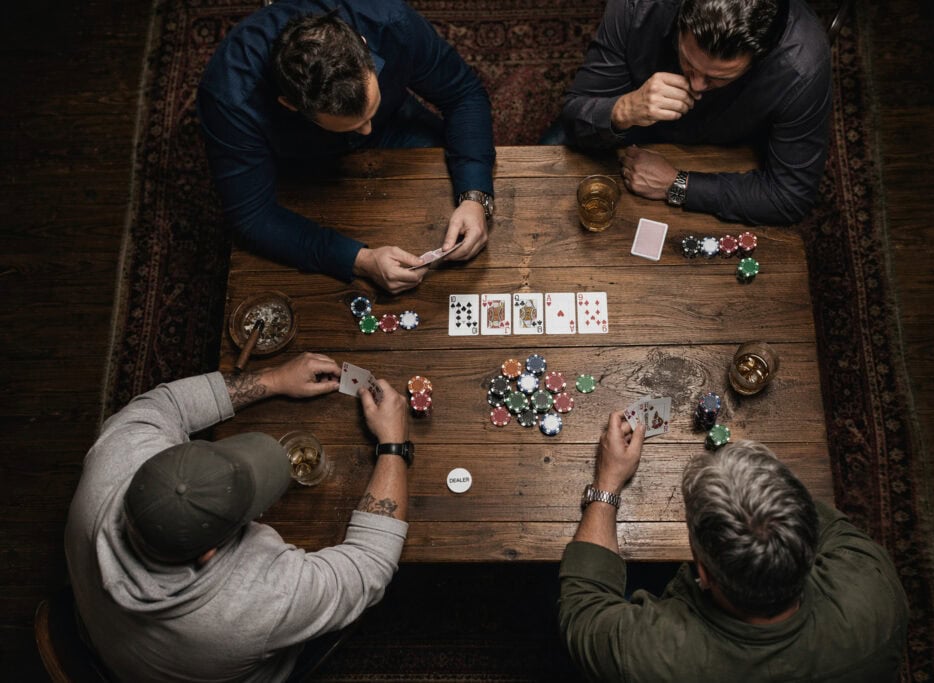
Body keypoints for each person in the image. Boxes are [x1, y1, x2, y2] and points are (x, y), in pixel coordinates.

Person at [65, 352, 415, 681]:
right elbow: (369, 564)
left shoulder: (117, 455)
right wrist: (393, 444)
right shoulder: (259, 601)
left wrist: (275, 378)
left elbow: (166, 403)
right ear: (208, 553)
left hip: (104, 637)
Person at [559, 417, 909, 682]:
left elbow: (583, 611)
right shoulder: (874, 589)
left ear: (705, 574)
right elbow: (820, 518)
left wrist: (607, 483)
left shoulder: (655, 654)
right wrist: (753, 485)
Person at [198, 0, 496, 294]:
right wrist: (360, 261)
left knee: (448, 204)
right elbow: (253, 217)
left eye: (370, 112)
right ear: (290, 105)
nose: (366, 130)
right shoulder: (229, 98)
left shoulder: (392, 22)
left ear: (364, 46)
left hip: (396, 126)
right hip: (299, 166)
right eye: (352, 125)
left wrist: (474, 196)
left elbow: (463, 94)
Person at [558, 0, 832, 225]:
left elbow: (790, 197)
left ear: (760, 58)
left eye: (718, 78)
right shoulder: (637, 7)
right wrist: (625, 109)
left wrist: (677, 184)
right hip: (626, 138)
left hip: (730, 156)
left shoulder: (802, 68)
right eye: (688, 61)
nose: (696, 86)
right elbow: (575, 115)